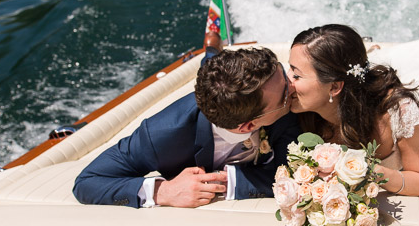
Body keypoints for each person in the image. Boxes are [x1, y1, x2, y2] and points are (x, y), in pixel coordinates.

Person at [73, 36, 300, 208]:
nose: (293, 87)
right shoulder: (160, 134)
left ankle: (212, 52)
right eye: (284, 94)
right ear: (249, 126)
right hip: (199, 116)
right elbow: (87, 181)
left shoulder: (284, 106)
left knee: (213, 67)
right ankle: (210, 48)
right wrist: (163, 191)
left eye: (282, 70)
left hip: (232, 104)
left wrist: (230, 182)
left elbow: (290, 173)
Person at [288, 24, 419, 196]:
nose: (288, 81)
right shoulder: (300, 104)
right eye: (290, 68)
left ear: (334, 86)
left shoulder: (400, 112)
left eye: (297, 75)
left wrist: (367, 171)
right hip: (354, 88)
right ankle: (372, 53)